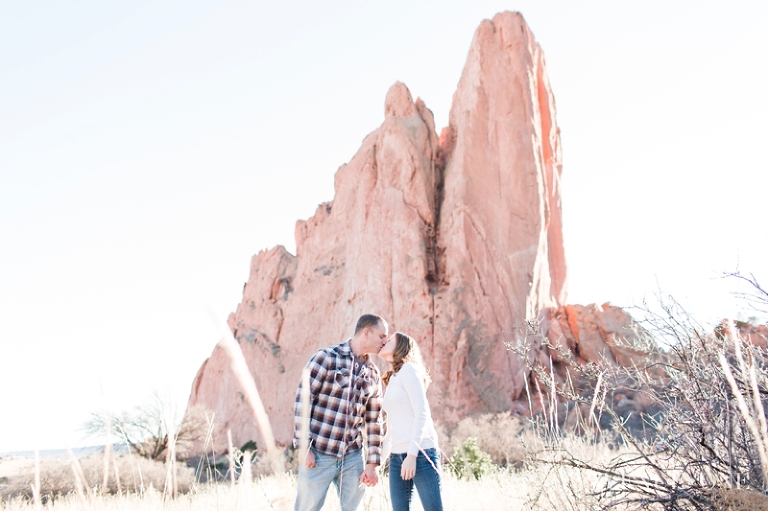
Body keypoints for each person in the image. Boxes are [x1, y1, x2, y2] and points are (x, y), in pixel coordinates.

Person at [293, 314, 389, 511]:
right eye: (381, 336)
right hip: (319, 455)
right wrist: (303, 445)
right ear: (366, 332)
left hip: (353, 458)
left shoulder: (373, 373)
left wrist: (372, 464)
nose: (384, 342)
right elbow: (304, 399)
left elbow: (374, 422)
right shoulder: (326, 357)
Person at [380, 332, 443, 511]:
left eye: (389, 339)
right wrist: (378, 464)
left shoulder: (409, 369)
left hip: (421, 453)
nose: (384, 341)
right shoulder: (392, 379)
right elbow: (391, 430)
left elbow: (422, 414)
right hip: (397, 457)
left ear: (401, 346)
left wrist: (412, 455)